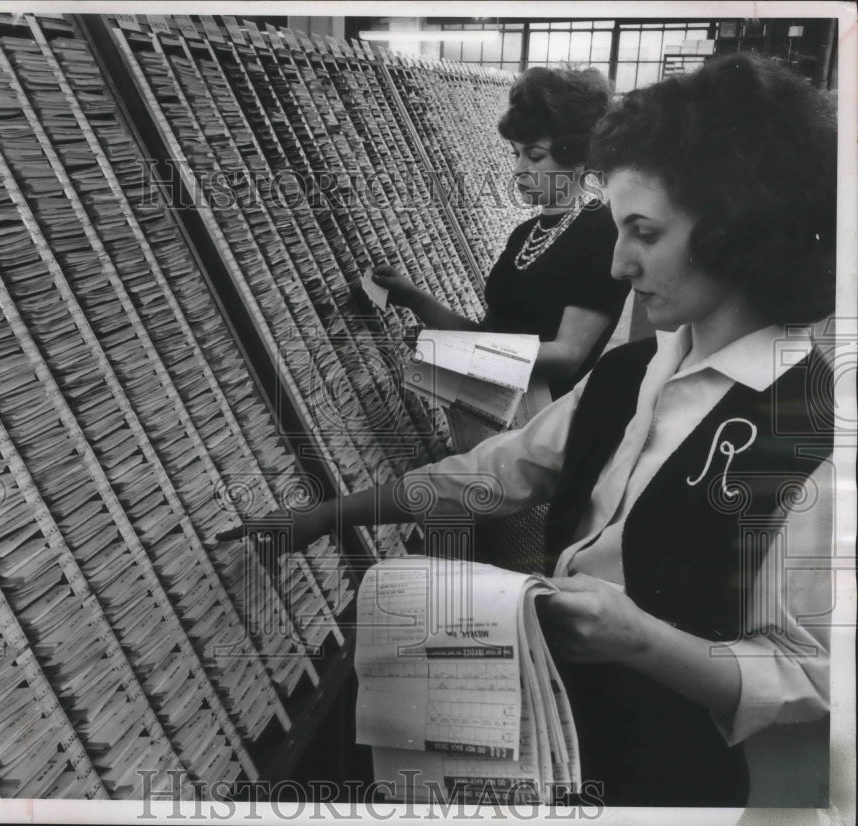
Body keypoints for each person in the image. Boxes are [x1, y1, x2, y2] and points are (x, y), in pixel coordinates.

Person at [220, 53, 837, 807]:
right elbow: (495, 473)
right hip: (558, 739)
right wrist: (323, 517)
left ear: (737, 233)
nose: (617, 264)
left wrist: (641, 640)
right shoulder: (631, 375)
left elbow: (807, 676)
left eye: (643, 232)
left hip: (666, 781)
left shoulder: (815, 436)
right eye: (617, 228)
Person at [372, 66, 630, 400]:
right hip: (489, 410)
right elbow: (485, 335)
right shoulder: (524, 236)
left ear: (578, 160)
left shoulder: (600, 232)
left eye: (535, 156)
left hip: (544, 424)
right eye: (516, 154)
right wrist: (413, 298)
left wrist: (458, 353)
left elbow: (567, 356)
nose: (519, 169)